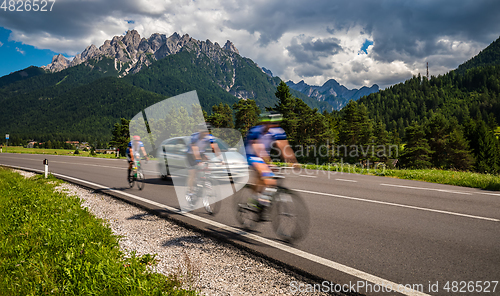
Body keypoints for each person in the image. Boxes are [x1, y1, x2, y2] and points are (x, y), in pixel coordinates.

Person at [244, 112, 298, 209]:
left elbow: (284, 147)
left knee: (271, 180)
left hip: (264, 157)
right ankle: (254, 200)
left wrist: (292, 161)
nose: (273, 125)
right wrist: (269, 163)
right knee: (266, 175)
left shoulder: (278, 131)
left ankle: (262, 200)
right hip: (252, 155)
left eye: (276, 123)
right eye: (271, 123)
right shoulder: (255, 131)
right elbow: (258, 148)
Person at [186, 123, 221, 199]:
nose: (206, 133)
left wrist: (220, 158)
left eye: (207, 131)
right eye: (204, 131)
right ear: (200, 131)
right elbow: (194, 148)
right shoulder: (194, 136)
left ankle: (205, 180)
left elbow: (214, 147)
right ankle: (190, 191)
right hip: (191, 154)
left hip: (201, 153)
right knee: (193, 173)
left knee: (208, 162)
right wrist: (198, 160)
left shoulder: (209, 137)